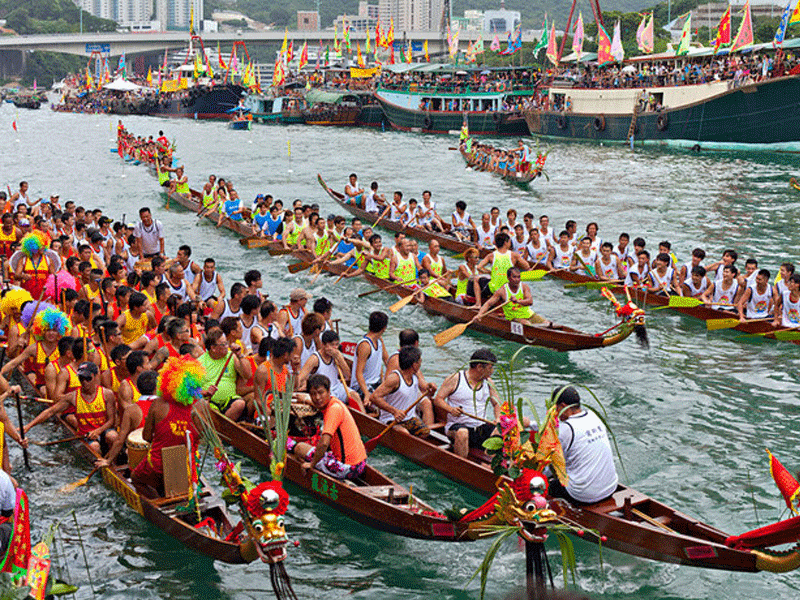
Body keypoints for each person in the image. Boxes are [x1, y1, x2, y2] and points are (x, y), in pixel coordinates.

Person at [25, 362, 117, 456]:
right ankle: (101, 461)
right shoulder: (73, 397)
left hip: (103, 431)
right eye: (81, 378)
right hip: (86, 435)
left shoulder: (107, 394)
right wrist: (27, 427)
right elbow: (50, 412)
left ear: (96, 377)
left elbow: (111, 420)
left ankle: (111, 461)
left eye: (88, 378)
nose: (84, 382)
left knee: (113, 436)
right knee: (94, 447)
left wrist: (98, 431)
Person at [547, 386, 618, 505]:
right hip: (611, 487)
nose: (556, 413)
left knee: (548, 485)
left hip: (582, 495)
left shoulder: (566, 429)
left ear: (564, 406)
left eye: (556, 408)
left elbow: (552, 462)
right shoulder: (594, 416)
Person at [288, 374, 367, 481]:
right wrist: (306, 400)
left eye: (320, 393)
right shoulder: (335, 402)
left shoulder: (333, 410)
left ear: (329, 391)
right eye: (313, 394)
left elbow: (324, 443)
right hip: (360, 464)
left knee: (300, 448)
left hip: (348, 468)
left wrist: (312, 464)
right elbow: (319, 404)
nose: (317, 397)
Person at [434, 349, 500, 458]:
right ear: (479, 367)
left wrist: (497, 418)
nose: (492, 371)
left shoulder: (489, 382)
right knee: (463, 432)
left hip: (480, 427)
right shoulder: (455, 378)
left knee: (502, 428)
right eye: (490, 368)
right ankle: (462, 466)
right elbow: (438, 399)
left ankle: (489, 462)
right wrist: (451, 409)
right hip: (457, 427)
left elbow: (497, 404)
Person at [370, 346, 435, 437]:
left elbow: (427, 389)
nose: (421, 363)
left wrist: (431, 387)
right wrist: (394, 411)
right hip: (391, 419)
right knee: (405, 434)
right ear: (414, 364)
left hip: (409, 419)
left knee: (425, 432)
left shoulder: (415, 375)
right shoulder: (395, 378)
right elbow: (374, 397)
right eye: (420, 361)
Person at [199, 329, 249, 421]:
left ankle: (222, 427)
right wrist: (206, 392)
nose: (228, 346)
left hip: (230, 400)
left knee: (240, 404)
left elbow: (247, 375)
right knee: (209, 410)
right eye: (224, 344)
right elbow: (193, 390)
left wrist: (240, 355)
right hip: (210, 402)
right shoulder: (200, 362)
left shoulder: (232, 356)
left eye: (227, 343)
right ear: (213, 348)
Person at [475, 267, 549, 326]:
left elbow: (530, 301)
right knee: (527, 324)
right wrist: (479, 315)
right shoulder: (502, 291)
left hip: (530, 314)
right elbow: (488, 304)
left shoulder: (524, 287)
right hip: (514, 317)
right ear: (508, 278)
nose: (517, 280)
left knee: (547, 324)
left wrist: (517, 301)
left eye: (518, 277)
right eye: (514, 277)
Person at [350, 311, 389, 405]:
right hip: (363, 387)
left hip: (377, 384)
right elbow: (358, 373)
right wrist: (367, 394)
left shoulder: (379, 340)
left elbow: (387, 360)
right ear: (384, 328)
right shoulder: (365, 346)